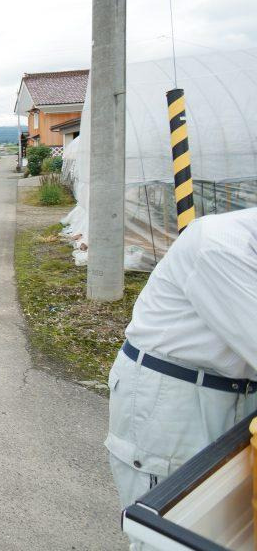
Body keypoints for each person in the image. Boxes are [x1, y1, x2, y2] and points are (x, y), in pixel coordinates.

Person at [107, 207, 257, 542]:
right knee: (172, 531)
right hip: (175, 400)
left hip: (233, 394)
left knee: (224, 527)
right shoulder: (220, 245)